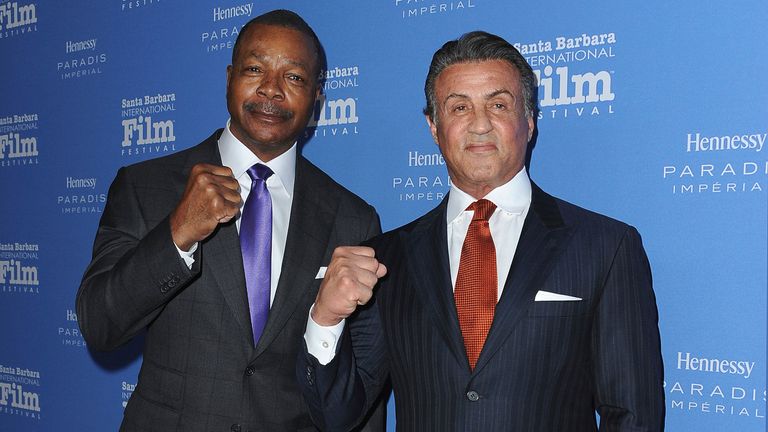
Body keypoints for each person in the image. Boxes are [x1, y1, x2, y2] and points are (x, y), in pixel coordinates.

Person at [299, 31, 665, 431]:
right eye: (459, 107)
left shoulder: (605, 247)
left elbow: (633, 417)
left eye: (498, 104)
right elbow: (338, 416)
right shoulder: (387, 260)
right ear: (434, 128)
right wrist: (326, 317)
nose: (479, 125)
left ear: (528, 119)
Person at [77, 9, 384, 432]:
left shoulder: (353, 218)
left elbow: (360, 390)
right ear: (229, 77)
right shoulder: (145, 186)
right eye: (255, 69)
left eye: (294, 77)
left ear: (316, 96)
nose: (271, 90)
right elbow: (100, 325)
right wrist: (176, 235)